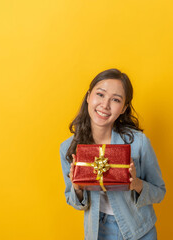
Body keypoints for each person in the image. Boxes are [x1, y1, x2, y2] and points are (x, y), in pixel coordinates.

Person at [59, 68, 166, 240]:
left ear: (123, 108)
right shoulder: (69, 148)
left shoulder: (139, 143)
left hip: (139, 230)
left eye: (115, 100)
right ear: (88, 96)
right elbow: (74, 202)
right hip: (97, 232)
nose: (105, 105)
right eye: (100, 94)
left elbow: (159, 192)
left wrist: (136, 183)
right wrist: (77, 187)